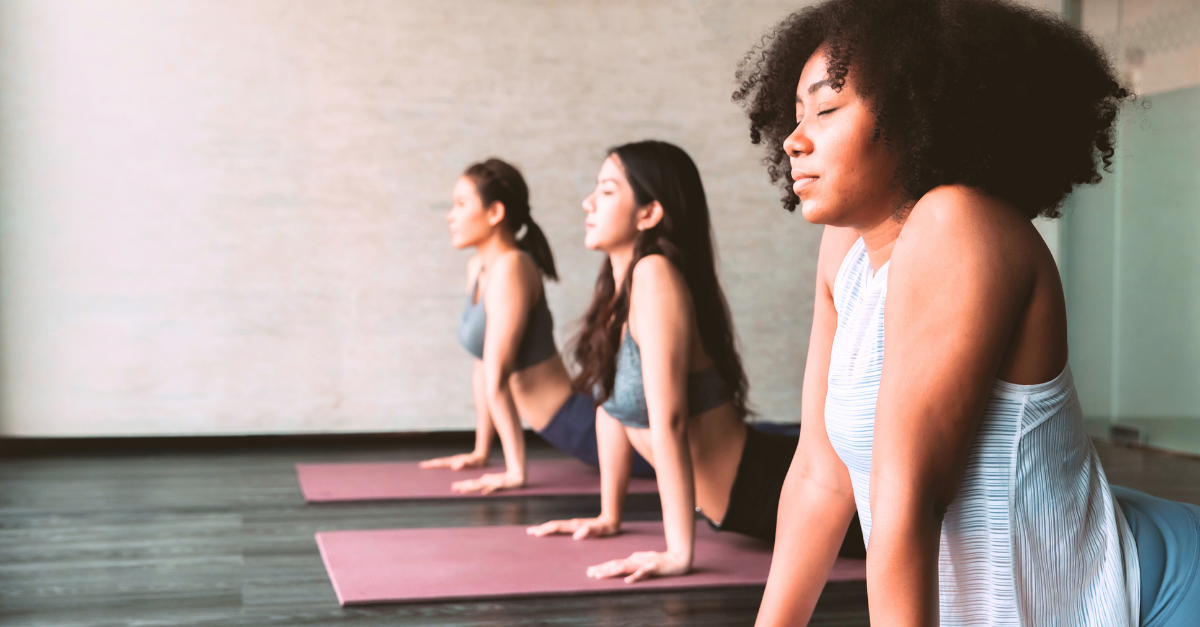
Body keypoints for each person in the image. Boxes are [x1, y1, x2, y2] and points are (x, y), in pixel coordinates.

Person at [732, 0, 1200, 625]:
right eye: (795, 115)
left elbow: (908, 500)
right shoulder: (845, 249)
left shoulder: (960, 224)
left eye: (826, 109)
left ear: (912, 114)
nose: (794, 139)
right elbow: (823, 476)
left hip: (1148, 596)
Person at [527, 140, 865, 582]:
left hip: (771, 490)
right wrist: (610, 515)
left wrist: (677, 553)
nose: (587, 201)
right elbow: (611, 409)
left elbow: (669, 420)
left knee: (936, 539)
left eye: (607, 190)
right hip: (744, 501)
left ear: (649, 213)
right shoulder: (619, 287)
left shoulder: (654, 274)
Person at [423, 158, 652, 493]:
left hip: (578, 425)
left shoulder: (512, 267)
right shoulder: (479, 268)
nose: (450, 215)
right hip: (567, 426)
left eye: (461, 204)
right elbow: (483, 365)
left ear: (495, 213)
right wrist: (481, 450)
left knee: (707, 452)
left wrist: (515, 471)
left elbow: (498, 376)